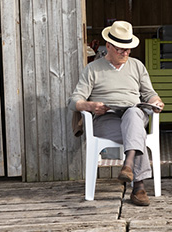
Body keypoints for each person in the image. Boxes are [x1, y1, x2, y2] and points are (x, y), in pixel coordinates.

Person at [68, 20, 164, 206]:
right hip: (106, 119)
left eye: (128, 49)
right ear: (109, 46)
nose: (126, 53)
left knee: (133, 114)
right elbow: (74, 101)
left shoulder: (137, 66)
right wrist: (91, 106)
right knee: (137, 134)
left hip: (133, 115)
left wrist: (156, 102)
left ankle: (128, 165)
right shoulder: (93, 69)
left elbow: (149, 94)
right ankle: (139, 187)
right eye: (121, 49)